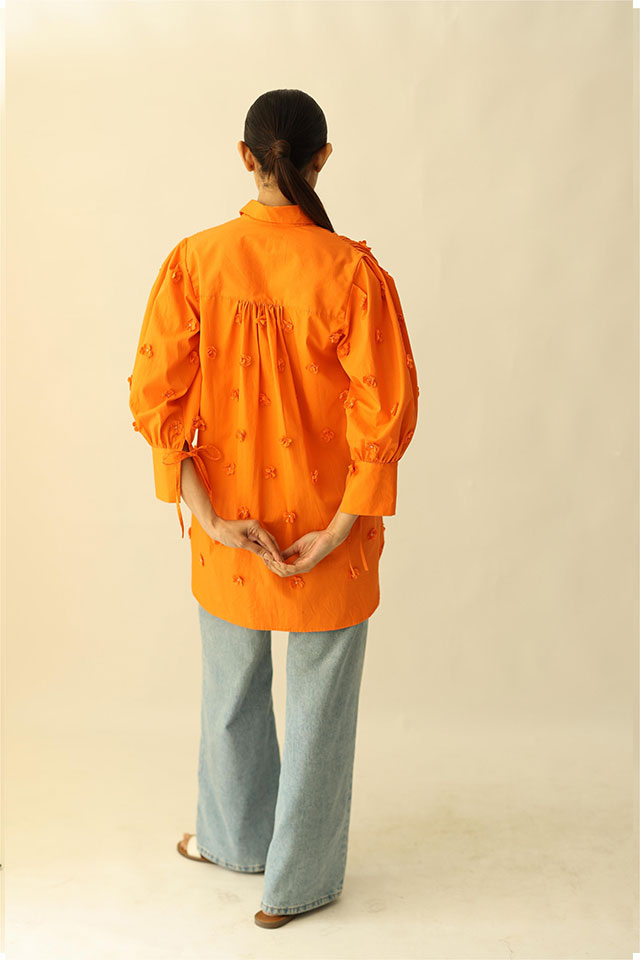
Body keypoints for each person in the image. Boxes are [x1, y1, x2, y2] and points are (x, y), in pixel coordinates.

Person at [128, 88, 419, 928]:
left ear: (244, 156)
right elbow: (387, 414)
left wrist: (211, 518)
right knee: (320, 705)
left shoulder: (196, 261)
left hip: (230, 521)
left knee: (229, 687)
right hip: (329, 526)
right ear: (322, 159)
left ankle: (233, 841)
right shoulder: (352, 274)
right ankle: (296, 884)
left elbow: (155, 401)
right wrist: (339, 527)